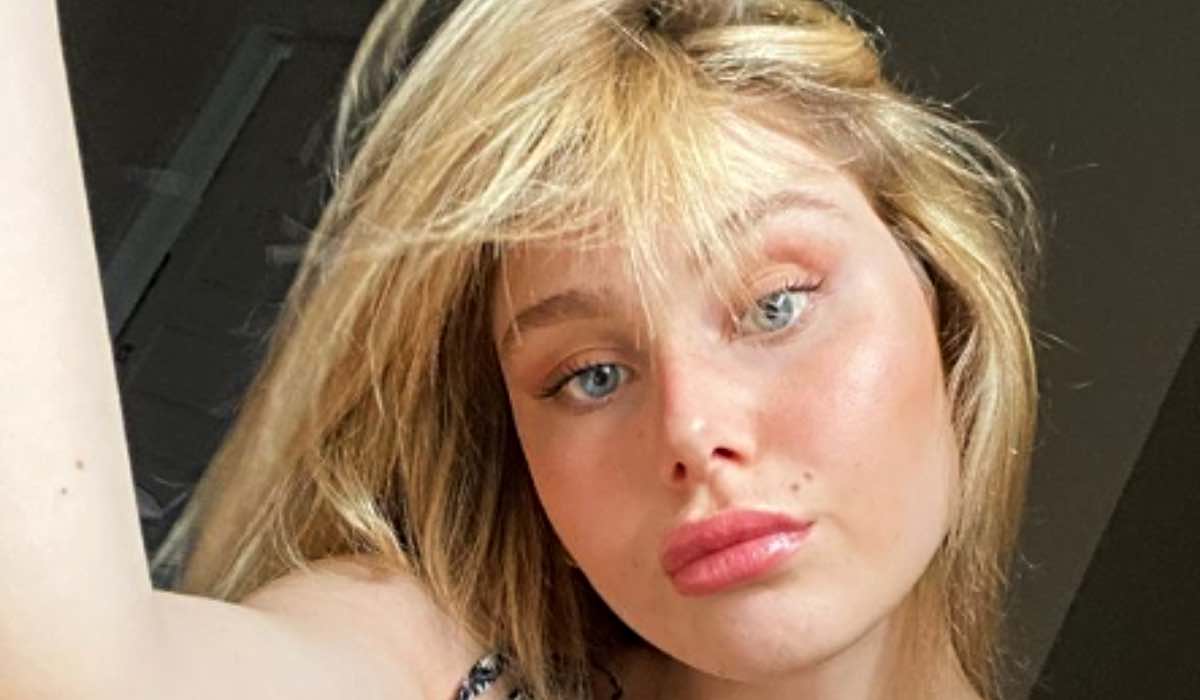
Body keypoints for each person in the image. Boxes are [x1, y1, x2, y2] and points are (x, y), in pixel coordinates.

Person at [1, 0, 1041, 698]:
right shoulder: (444, 662)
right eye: (591, 375)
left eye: (774, 306)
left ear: (943, 301)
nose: (691, 429)